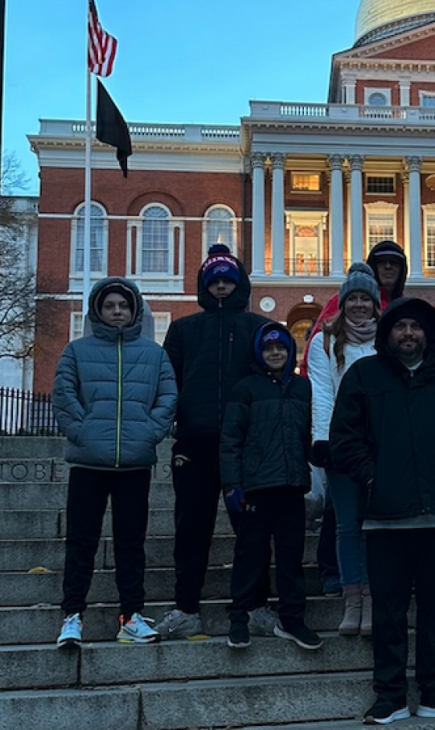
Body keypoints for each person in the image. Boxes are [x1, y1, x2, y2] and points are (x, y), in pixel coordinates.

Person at [330, 297, 435, 725]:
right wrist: (372, 478)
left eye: (415, 328)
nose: (408, 334)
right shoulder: (364, 376)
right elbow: (344, 439)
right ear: (388, 334)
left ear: (428, 334)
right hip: (386, 514)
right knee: (389, 610)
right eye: (400, 327)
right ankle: (390, 694)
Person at [53, 278, 177, 648]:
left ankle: (131, 616)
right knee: (80, 542)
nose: (117, 311)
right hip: (89, 464)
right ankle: (72, 616)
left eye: (123, 305)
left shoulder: (155, 355)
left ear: (134, 310)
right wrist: (84, 431)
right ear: (98, 311)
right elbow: (64, 396)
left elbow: (168, 396)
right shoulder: (76, 351)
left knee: (131, 543)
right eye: (110, 306)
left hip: (134, 466)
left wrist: (149, 432)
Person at [155, 244, 270, 640]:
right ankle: (187, 608)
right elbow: (167, 381)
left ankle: (256, 605)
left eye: (228, 280)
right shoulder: (185, 329)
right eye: (215, 281)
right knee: (191, 528)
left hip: (243, 446)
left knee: (252, 527)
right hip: (195, 442)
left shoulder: (258, 327)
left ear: (238, 285)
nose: (221, 286)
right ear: (206, 286)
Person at [220, 322, 322, 650]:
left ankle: (293, 619)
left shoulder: (303, 388)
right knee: (250, 552)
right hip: (257, 486)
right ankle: (239, 616)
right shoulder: (246, 389)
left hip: (292, 485)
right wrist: (232, 485)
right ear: (259, 353)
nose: (275, 353)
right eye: (268, 348)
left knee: (291, 556)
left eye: (281, 347)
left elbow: (311, 431)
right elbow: (231, 440)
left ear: (290, 351)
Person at [309, 264, 380, 636]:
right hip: (342, 443)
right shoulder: (325, 339)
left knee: (375, 524)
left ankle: (372, 597)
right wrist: (322, 439)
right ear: (342, 302)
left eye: (364, 298)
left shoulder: (386, 338)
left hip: (382, 445)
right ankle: (352, 599)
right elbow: (321, 391)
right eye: (351, 298)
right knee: (348, 525)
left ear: (374, 303)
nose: (358, 305)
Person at [300, 240, 407, 377]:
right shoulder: (344, 299)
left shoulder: (404, 305)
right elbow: (318, 342)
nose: (388, 266)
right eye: (381, 262)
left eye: (394, 262)